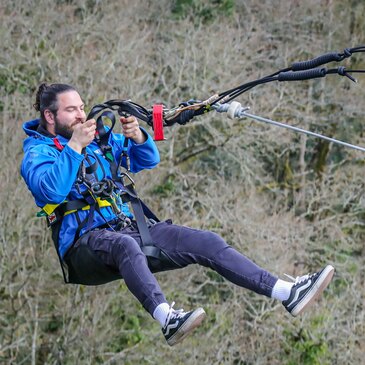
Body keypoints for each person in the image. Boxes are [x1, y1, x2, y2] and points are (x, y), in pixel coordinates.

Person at [21, 83, 335, 346]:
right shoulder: (38, 154)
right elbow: (51, 191)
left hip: (125, 228)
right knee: (124, 246)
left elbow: (145, 160)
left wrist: (138, 137)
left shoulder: (95, 142)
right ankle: (167, 319)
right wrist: (74, 146)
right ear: (49, 116)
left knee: (206, 242)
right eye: (70, 110)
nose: (80, 114)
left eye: (81, 107)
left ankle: (286, 292)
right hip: (83, 247)